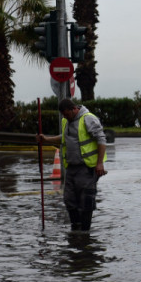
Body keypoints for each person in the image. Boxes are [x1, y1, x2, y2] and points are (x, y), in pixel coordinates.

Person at [38, 99, 107, 233]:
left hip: (87, 167)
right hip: (71, 167)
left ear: (74, 109)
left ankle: (85, 232)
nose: (65, 117)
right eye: (63, 115)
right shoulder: (66, 121)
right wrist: (46, 139)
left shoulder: (88, 119)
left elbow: (101, 139)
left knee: (86, 200)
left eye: (67, 114)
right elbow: (63, 138)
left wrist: (99, 164)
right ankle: (75, 229)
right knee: (69, 199)